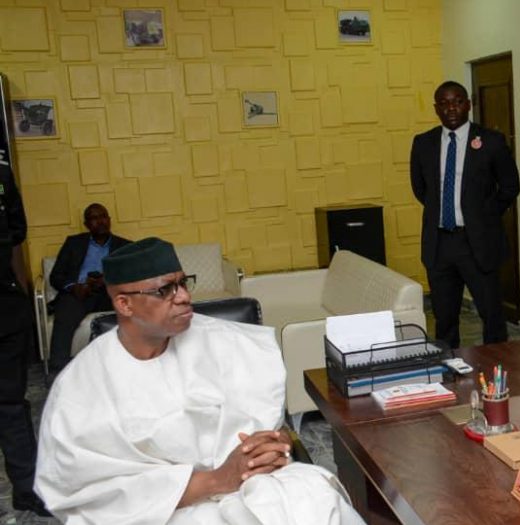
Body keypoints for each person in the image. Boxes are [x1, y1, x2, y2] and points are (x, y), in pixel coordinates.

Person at [35, 237, 364, 524]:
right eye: (165, 290)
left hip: (254, 486)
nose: (183, 297)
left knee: (317, 499)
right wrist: (216, 480)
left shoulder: (224, 341)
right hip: (161, 511)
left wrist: (271, 446)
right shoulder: (83, 385)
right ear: (124, 304)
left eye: (183, 283)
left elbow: (269, 423)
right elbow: (93, 493)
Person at [410, 80, 520, 350]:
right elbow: (420, 189)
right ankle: (449, 370)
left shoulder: (491, 141)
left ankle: (497, 369)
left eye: (457, 102)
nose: (451, 108)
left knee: (491, 316)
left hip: (478, 242)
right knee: (444, 319)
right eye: (444, 103)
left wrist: (484, 216)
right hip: (439, 243)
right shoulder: (423, 143)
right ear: (436, 108)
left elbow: (510, 186)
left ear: (468, 105)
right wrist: (445, 211)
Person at [0, 154, 51, 517]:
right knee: (10, 406)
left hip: (5, 310)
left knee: (10, 406)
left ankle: (27, 488)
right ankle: (27, 488)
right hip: (6, 304)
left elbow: (17, 232)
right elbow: (16, 231)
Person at [47, 203, 130, 374]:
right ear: (86, 224)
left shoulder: (124, 246)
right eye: (94, 218)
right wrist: (74, 287)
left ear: (109, 220)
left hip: (110, 294)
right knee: (65, 313)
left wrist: (108, 280)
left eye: (103, 216)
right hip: (80, 293)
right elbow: (56, 276)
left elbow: (132, 275)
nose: (100, 221)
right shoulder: (73, 243)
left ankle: (132, 364)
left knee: (136, 306)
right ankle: (59, 373)